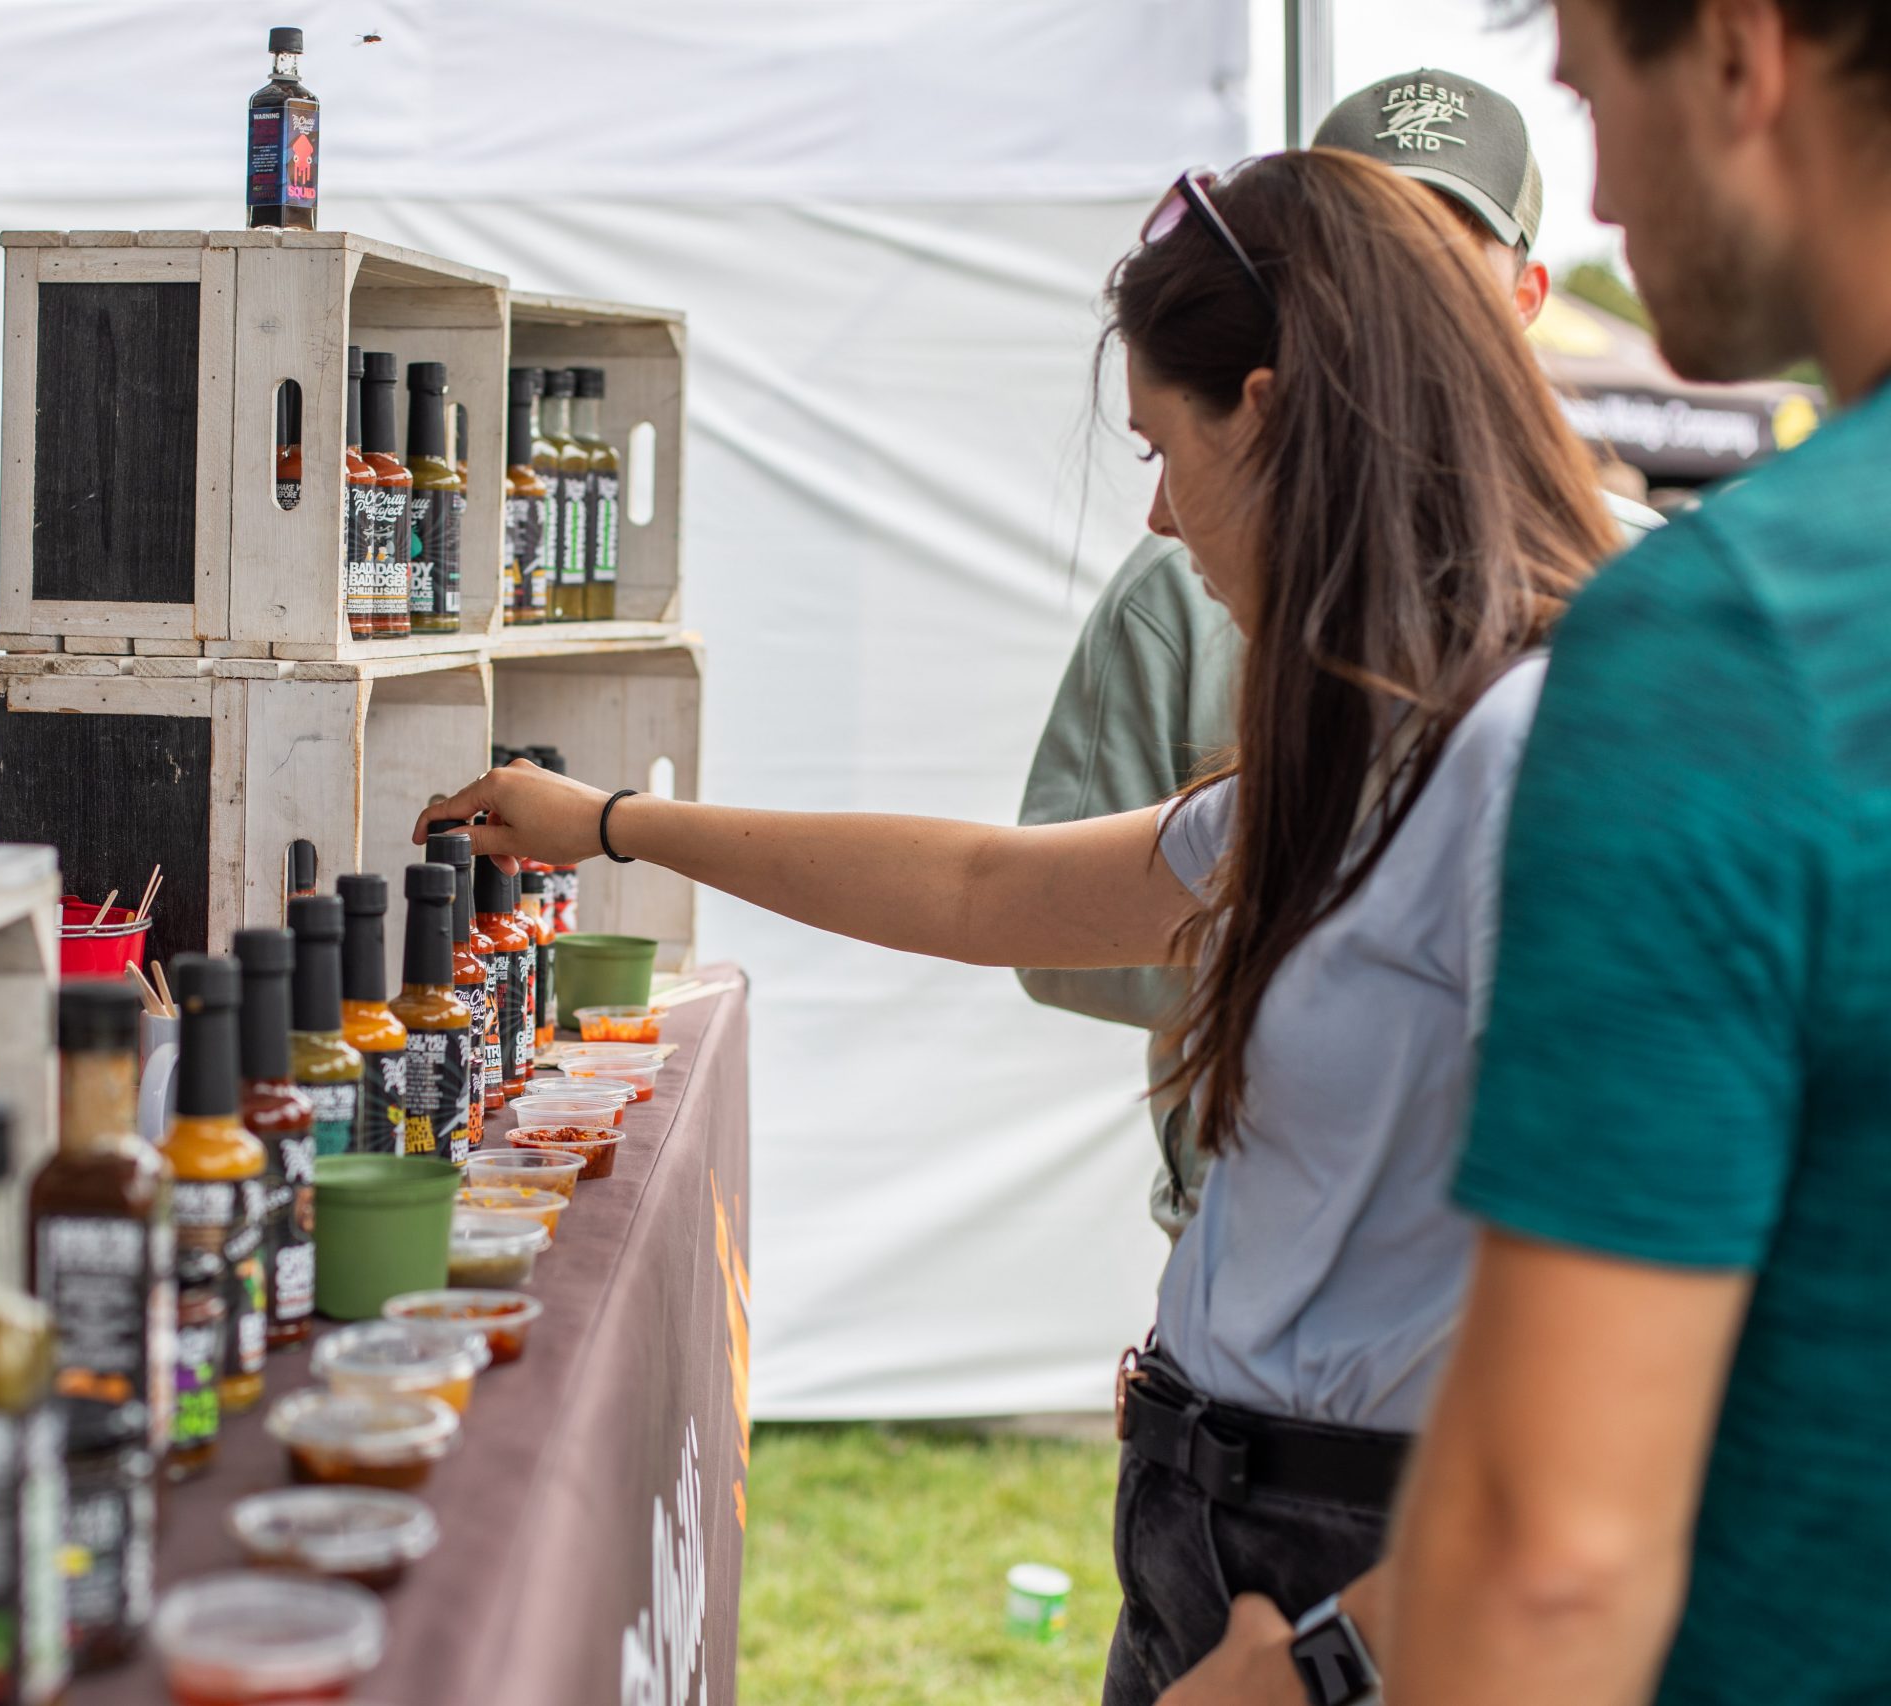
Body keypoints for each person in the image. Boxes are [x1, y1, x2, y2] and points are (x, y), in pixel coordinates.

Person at [416, 149, 1620, 1704]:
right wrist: (609, 823)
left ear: (1268, 413)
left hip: (1346, 1580)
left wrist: (1330, 1663)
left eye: (1164, 448)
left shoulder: (1525, 759)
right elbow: (987, 889)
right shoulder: (1369, 750)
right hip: (1229, 1531)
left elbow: (1625, 1381)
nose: (1162, 513)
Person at [1374, 2, 1891, 1703]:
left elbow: (1551, 1558)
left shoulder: (1733, 635)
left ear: (1740, 57)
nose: (1598, 200)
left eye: (1595, 103)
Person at [1018, 66, 1660, 1244]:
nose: (1395, 298)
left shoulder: (1651, 596)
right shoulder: (1175, 582)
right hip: (1247, 1241)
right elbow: (1037, 921)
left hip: (1497, 1270)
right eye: (1367, 253)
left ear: (1523, 296)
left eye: (1442, 258)